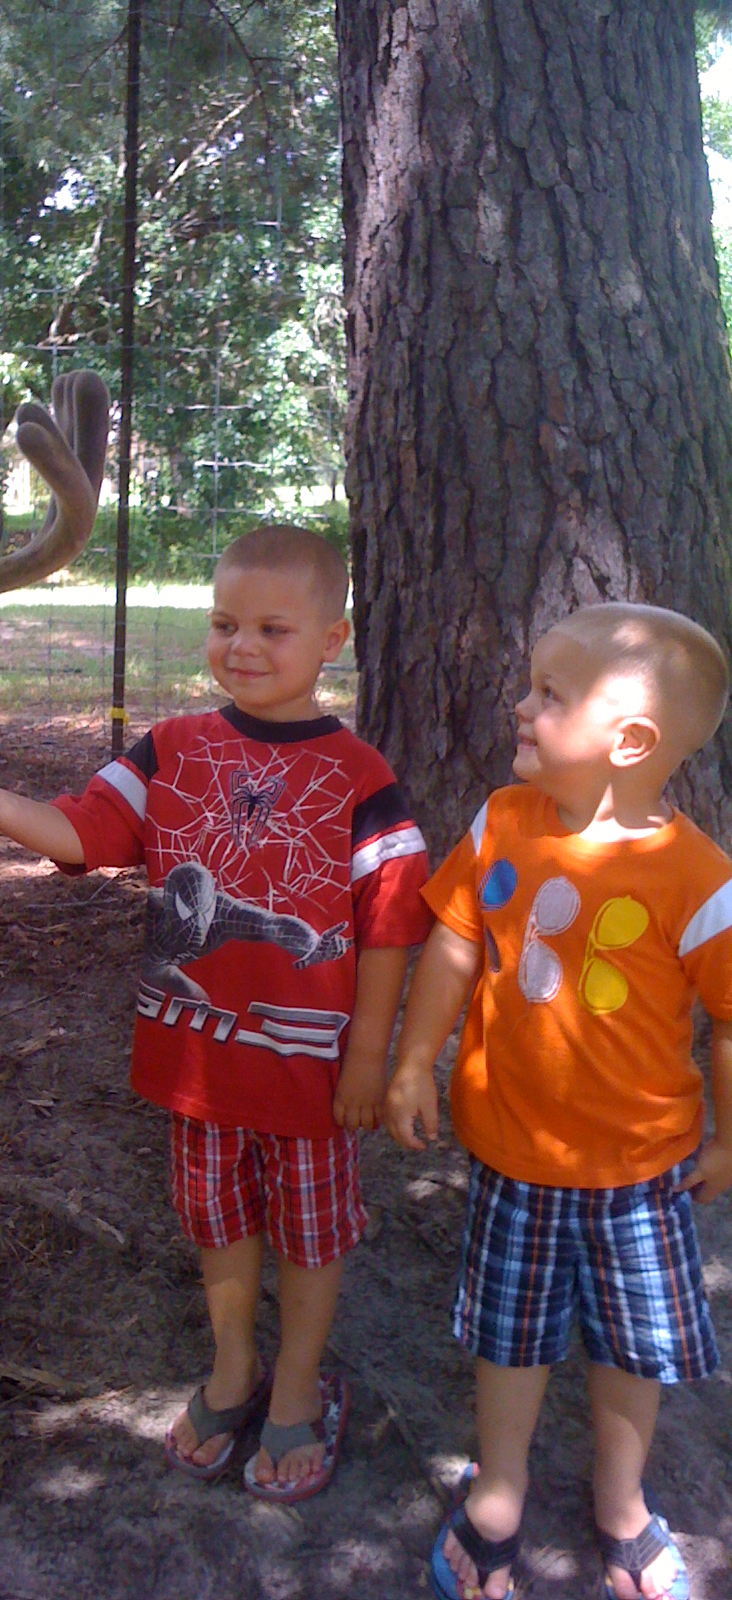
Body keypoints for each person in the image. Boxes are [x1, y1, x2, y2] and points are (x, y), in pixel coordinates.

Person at [0, 523, 431, 1501]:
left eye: (274, 627)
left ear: (333, 638)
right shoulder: (172, 749)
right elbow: (87, 828)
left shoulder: (364, 779)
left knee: (311, 1233)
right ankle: (234, 1365)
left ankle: (300, 1384)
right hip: (200, 1068)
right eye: (225, 623)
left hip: (310, 1074)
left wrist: (375, 1061)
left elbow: (393, 927)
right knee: (217, 1219)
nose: (244, 646)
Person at [384, 602, 732, 1600]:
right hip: (511, 1157)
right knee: (512, 1330)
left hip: (643, 1174)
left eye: (549, 694)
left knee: (634, 1346)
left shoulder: (703, 882)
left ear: (629, 742)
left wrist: (730, 1137)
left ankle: (622, 1500)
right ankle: (499, 1489)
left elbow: (731, 1021)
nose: (520, 705)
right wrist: (414, 1060)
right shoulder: (502, 820)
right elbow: (453, 939)